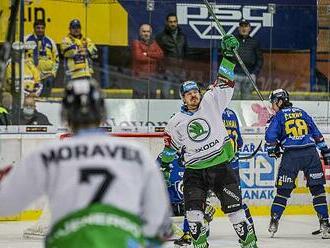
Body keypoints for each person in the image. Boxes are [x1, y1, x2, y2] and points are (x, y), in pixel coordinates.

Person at [0, 78, 172, 247]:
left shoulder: (47, 154)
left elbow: (5, 204)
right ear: (102, 113)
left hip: (69, 241)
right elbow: (160, 224)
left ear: (65, 116)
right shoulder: (136, 154)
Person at [164, 34, 258, 248]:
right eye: (188, 94)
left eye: (196, 91)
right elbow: (171, 148)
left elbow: (224, 81)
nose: (193, 95)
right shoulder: (175, 122)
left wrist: (228, 58)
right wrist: (163, 164)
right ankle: (199, 244)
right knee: (194, 215)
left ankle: (249, 243)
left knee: (235, 211)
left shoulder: (211, 101)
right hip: (194, 171)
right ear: (182, 98)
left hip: (220, 167)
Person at [265, 88, 330, 239]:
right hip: (310, 154)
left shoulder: (279, 116)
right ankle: (325, 224)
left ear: (280, 102)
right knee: (318, 190)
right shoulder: (302, 112)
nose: (272, 106)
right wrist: (325, 151)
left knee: (283, 192)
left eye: (273, 102)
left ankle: (274, 221)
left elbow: (270, 137)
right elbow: (316, 133)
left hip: (291, 156)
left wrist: (272, 149)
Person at [157, 147, 215, 247]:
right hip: (168, 206)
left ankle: (191, 229)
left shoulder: (199, 155)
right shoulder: (165, 157)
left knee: (203, 211)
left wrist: (206, 203)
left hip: (189, 205)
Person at [222, 108, 255, 228]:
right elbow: (239, 142)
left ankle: (198, 232)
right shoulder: (232, 113)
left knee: (202, 198)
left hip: (216, 164)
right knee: (237, 201)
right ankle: (250, 229)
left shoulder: (210, 112)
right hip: (233, 166)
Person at [224, 19, 263, 99]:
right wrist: (228, 74)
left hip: (249, 75)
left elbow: (260, 59)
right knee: (232, 98)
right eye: (242, 26)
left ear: (249, 28)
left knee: (247, 99)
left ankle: (245, 112)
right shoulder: (233, 40)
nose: (244, 28)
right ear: (239, 28)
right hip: (234, 74)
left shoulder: (254, 42)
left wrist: (254, 73)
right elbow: (226, 56)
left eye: (246, 26)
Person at [156, 13, 188, 98]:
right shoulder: (161, 37)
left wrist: (185, 67)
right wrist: (162, 67)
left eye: (174, 21)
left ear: (177, 22)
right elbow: (158, 54)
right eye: (170, 22)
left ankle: (179, 111)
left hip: (180, 70)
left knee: (180, 95)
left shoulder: (182, 36)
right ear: (167, 23)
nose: (173, 24)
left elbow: (186, 53)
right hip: (167, 70)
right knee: (165, 93)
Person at [25, 19, 59, 97]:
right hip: (31, 75)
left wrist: (53, 73)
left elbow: (56, 59)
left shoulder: (50, 41)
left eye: (42, 28)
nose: (40, 30)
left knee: (45, 97)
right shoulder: (26, 40)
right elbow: (21, 56)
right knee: (32, 96)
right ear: (34, 28)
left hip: (46, 75)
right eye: (38, 28)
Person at [131, 23, 164, 98]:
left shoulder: (154, 43)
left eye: (148, 31)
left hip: (152, 78)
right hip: (139, 78)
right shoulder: (136, 43)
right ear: (140, 33)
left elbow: (161, 55)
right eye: (144, 31)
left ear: (151, 33)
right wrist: (154, 58)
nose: (146, 33)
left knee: (152, 100)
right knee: (138, 101)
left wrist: (147, 53)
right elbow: (139, 57)